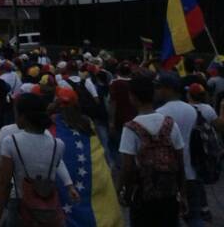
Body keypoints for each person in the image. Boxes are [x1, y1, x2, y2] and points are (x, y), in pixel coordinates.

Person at [0, 93, 77, 227]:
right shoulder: (58, 144)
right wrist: (69, 185)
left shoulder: (11, 142)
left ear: (24, 117)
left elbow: (4, 184)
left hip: (20, 208)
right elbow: (58, 164)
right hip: (49, 210)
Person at [49, 87, 122, 227]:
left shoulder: (51, 124)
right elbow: (98, 150)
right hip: (92, 177)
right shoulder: (87, 123)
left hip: (65, 181)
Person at [119, 74, 185, 227]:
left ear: (133, 97)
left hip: (143, 195)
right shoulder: (170, 124)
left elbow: (127, 167)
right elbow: (180, 160)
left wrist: (124, 192)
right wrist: (183, 193)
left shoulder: (131, 128)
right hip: (169, 193)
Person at [154, 71, 204, 227]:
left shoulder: (160, 113)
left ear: (168, 88)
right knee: (195, 215)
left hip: (169, 173)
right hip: (191, 170)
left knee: (170, 218)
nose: (156, 91)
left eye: (159, 87)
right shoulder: (192, 110)